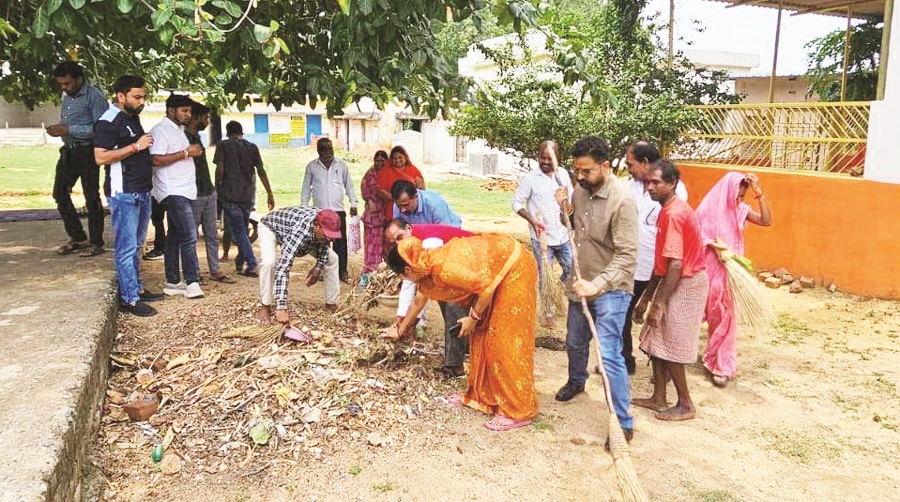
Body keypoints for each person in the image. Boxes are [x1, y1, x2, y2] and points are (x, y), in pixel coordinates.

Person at [385, 234, 538, 431]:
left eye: (402, 276)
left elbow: (484, 287)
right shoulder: (424, 267)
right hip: (494, 275)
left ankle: (518, 410)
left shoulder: (441, 268)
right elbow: (418, 301)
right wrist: (400, 330)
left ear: (407, 269)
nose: (404, 279)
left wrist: (473, 318)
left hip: (513, 267)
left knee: (503, 338)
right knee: (482, 338)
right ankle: (483, 396)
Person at [554, 136, 638, 443]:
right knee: (575, 342)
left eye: (586, 171)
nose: (580, 176)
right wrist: (565, 206)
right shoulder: (581, 189)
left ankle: (624, 422)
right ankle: (577, 381)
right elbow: (576, 226)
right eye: (577, 170)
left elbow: (627, 257)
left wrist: (597, 284)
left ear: (605, 166)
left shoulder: (623, 201)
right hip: (581, 279)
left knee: (608, 355)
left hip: (611, 288)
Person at [632, 160, 708, 421]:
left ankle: (685, 404)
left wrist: (659, 304)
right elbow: (662, 264)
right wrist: (646, 299)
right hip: (674, 280)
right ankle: (659, 398)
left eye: (656, 182)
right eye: (648, 181)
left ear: (673, 183)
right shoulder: (666, 210)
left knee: (672, 344)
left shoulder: (675, 213)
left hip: (686, 283)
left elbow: (676, 264)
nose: (650, 187)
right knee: (657, 339)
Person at [696, 171, 773, 387]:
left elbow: (766, 221)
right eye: (736, 196)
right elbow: (694, 235)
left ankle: (721, 365)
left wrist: (758, 191)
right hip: (707, 270)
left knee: (726, 317)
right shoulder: (706, 210)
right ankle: (678, 356)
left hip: (729, 271)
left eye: (742, 197)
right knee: (701, 314)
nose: (738, 201)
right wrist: (712, 244)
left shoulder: (740, 211)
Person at [94, 75, 162, 316]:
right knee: (126, 246)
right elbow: (100, 157)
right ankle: (130, 299)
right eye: (137, 96)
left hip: (141, 190)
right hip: (123, 193)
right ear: (121, 96)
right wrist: (136, 146)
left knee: (136, 245)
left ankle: (137, 289)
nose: (141, 101)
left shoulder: (131, 117)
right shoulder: (108, 121)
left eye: (143, 96)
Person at [620, 141, 688, 375]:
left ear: (645, 163)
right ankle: (625, 359)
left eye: (631, 164)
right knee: (624, 313)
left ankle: (662, 372)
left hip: (659, 268)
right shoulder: (628, 187)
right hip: (630, 264)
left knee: (659, 317)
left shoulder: (672, 191)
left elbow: (674, 238)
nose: (628, 168)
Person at [383, 218, 475, 375]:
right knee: (443, 296)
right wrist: (401, 318)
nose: (399, 244)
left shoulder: (429, 243)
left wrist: (402, 329)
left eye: (399, 237)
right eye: (394, 242)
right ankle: (464, 346)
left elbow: (420, 298)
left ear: (408, 228)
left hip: (472, 263)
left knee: (452, 303)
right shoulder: (412, 250)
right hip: (459, 271)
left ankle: (454, 365)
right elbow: (410, 282)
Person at [390, 179, 463, 356]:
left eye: (406, 205)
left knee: (448, 297)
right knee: (423, 289)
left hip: (449, 246)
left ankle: (458, 348)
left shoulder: (435, 204)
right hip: (423, 249)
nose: (402, 210)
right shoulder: (398, 209)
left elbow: (449, 237)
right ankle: (406, 323)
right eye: (399, 206)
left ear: (416, 196)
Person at [46, 61, 108, 257]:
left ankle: (96, 242)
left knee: (91, 197)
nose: (64, 88)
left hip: (88, 151)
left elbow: (102, 129)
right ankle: (78, 237)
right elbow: (69, 123)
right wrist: (60, 129)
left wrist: (69, 129)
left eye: (67, 83)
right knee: (59, 193)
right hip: (69, 150)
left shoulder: (94, 96)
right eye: (61, 84)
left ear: (79, 79)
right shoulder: (68, 97)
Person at [149, 94, 204, 299]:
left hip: (186, 190)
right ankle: (192, 282)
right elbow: (155, 159)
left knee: (174, 236)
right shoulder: (161, 130)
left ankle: (172, 282)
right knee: (190, 235)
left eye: (189, 111)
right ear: (171, 110)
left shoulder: (179, 130)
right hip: (172, 191)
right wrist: (186, 153)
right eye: (184, 111)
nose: (188, 115)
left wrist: (188, 152)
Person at [256, 207, 342, 325]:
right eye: (328, 234)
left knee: (333, 258)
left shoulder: (325, 221)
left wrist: (318, 267)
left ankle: (331, 303)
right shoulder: (299, 233)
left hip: (296, 230)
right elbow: (283, 268)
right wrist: (281, 307)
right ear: (316, 226)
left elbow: (323, 244)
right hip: (270, 228)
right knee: (269, 262)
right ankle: (265, 305)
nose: (330, 239)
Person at [214, 121, 275, 277]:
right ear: (242, 131)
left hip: (230, 193)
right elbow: (261, 170)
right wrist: (269, 193)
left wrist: (218, 187)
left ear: (228, 132)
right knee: (242, 228)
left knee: (239, 229)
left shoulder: (223, 145)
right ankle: (240, 261)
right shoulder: (252, 147)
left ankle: (252, 263)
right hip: (247, 195)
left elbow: (220, 169)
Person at [512, 140, 574, 288]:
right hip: (542, 239)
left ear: (557, 158)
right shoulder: (530, 179)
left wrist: (568, 210)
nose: (546, 162)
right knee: (545, 279)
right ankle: (547, 307)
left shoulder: (564, 175)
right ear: (537, 156)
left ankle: (557, 289)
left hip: (563, 236)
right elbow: (516, 203)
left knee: (571, 271)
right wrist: (533, 221)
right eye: (542, 157)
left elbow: (571, 201)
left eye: (550, 159)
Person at [185, 100, 234, 284]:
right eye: (205, 117)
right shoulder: (184, 138)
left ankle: (215, 270)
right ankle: (194, 273)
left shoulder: (196, 137)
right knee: (192, 236)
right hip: (194, 194)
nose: (207, 121)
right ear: (195, 117)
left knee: (212, 234)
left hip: (208, 192)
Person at [300, 138, 358, 283]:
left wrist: (353, 202)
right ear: (318, 151)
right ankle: (323, 270)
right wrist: (304, 207)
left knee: (340, 242)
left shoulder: (341, 165)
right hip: (319, 211)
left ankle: (342, 271)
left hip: (337, 211)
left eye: (329, 149)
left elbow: (349, 185)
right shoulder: (312, 167)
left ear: (333, 149)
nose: (327, 153)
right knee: (321, 242)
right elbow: (306, 188)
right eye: (323, 150)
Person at [376, 145, 425, 221]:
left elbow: (421, 188)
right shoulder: (385, 171)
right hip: (392, 207)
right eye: (394, 158)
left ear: (405, 157)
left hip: (411, 205)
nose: (397, 160)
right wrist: (393, 197)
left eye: (400, 157)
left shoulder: (413, 170)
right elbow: (379, 189)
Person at [360, 150, 389, 272]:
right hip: (373, 218)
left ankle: (384, 278)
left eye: (383, 161)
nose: (380, 164)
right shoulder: (370, 174)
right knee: (371, 250)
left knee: (386, 248)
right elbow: (365, 190)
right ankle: (366, 281)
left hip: (386, 216)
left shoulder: (389, 174)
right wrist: (369, 199)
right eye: (377, 161)